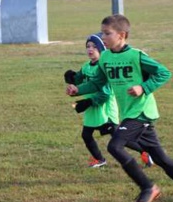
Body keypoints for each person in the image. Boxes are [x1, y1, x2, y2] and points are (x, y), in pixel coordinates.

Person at [66, 15, 173, 202]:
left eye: (108, 33)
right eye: (102, 33)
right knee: (161, 159)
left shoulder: (136, 55)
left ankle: (148, 187)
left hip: (141, 111)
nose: (103, 37)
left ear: (122, 35)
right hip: (129, 113)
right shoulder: (105, 58)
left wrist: (143, 87)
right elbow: (98, 82)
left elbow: (164, 73)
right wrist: (78, 90)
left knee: (115, 146)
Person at [64, 33, 153, 169]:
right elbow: (80, 79)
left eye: (94, 46)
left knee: (119, 137)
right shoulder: (87, 66)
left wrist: (87, 102)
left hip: (105, 109)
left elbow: (105, 94)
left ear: (102, 49)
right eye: (88, 46)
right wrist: (72, 79)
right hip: (93, 108)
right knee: (86, 135)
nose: (90, 49)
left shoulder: (104, 67)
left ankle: (145, 151)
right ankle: (99, 159)